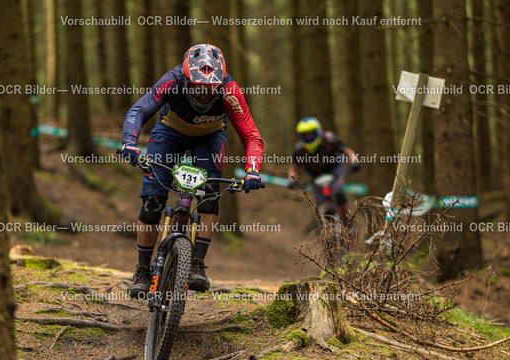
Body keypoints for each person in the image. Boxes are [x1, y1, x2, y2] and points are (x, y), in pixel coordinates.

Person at [120, 44, 264, 299]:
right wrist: (129, 142)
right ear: (186, 79)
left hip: (210, 138)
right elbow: (139, 110)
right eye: (198, 88)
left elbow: (251, 135)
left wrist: (252, 170)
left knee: (209, 196)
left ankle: (197, 264)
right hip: (170, 133)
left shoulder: (229, 90)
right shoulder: (172, 80)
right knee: (152, 201)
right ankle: (142, 271)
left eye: (210, 89)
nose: (204, 95)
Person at [287, 117, 359, 223]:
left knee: (339, 194)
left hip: (334, 170)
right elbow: (294, 167)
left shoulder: (330, 139)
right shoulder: (299, 148)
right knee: (320, 204)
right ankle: (325, 228)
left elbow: (348, 151)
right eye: (305, 135)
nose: (309, 137)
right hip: (315, 175)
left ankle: (350, 223)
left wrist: (354, 162)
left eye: (311, 134)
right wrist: (292, 180)